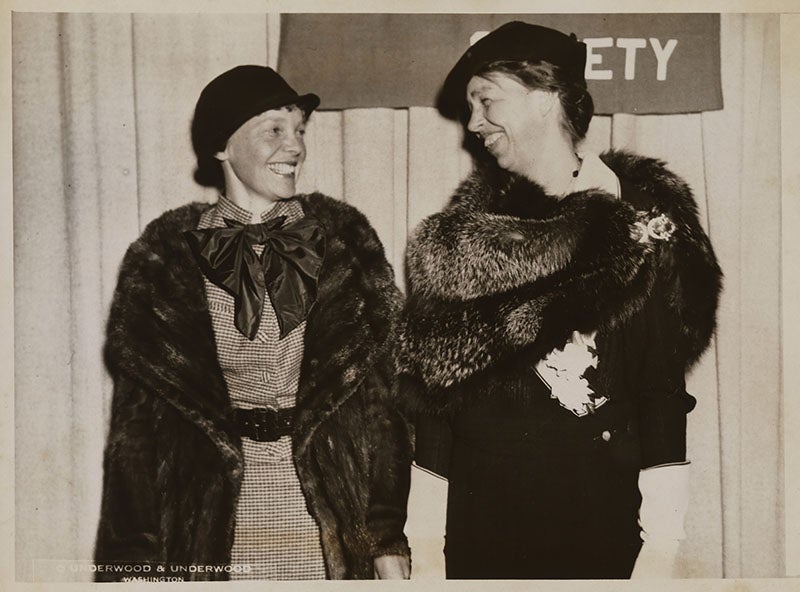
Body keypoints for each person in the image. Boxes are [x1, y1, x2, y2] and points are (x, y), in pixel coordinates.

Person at [401, 22, 722, 579]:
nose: (473, 123)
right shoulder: (459, 236)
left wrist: (662, 548)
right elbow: (438, 402)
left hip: (599, 528)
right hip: (481, 529)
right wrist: (426, 543)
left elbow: (660, 391)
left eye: (486, 100)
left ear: (547, 97)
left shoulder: (646, 222)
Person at [94, 65, 411, 581]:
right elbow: (136, 434)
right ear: (222, 146)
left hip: (322, 522)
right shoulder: (164, 257)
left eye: (300, 131)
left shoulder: (346, 243)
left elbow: (382, 410)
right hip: (210, 526)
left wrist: (385, 537)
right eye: (274, 130)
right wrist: (133, 561)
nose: (295, 147)